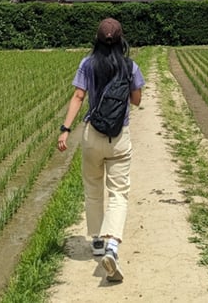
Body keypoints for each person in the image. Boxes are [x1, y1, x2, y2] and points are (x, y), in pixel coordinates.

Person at [57, 17, 145, 283]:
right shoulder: (130, 66)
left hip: (92, 135)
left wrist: (65, 129)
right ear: (120, 40)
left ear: (96, 39)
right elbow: (137, 100)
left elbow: (78, 96)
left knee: (93, 187)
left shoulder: (87, 64)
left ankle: (96, 240)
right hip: (119, 137)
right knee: (118, 192)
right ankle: (112, 246)